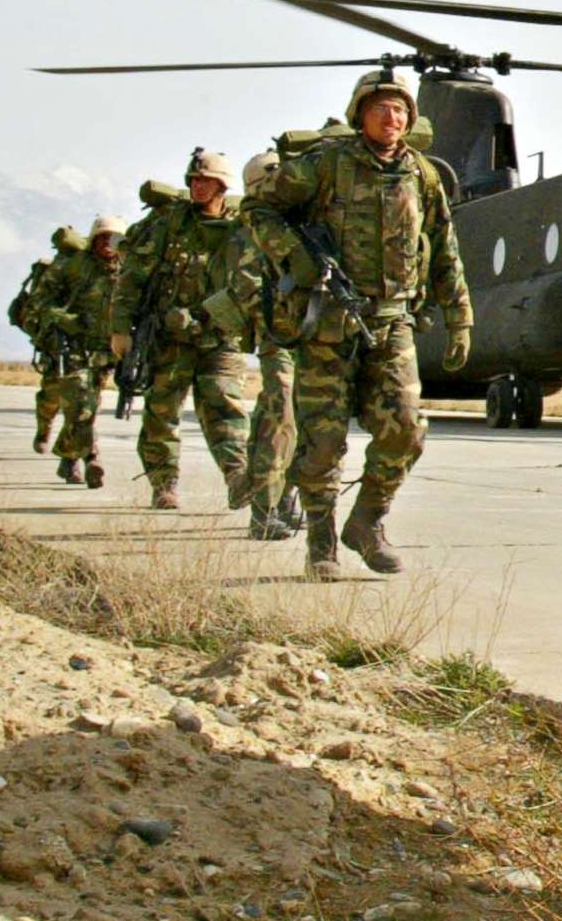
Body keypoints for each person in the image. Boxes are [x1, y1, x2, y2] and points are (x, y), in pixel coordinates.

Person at [247, 69, 471, 576]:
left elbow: (444, 247)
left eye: (399, 110)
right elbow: (260, 211)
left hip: (393, 324)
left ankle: (367, 520)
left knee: (407, 429)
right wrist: (297, 259)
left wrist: (460, 317)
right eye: (380, 109)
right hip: (327, 324)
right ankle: (321, 542)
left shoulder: (424, 174)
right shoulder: (323, 165)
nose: (391, 118)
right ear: (359, 115)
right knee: (323, 440)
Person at [111, 149, 253, 510]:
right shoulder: (167, 225)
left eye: (205, 180)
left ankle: (238, 478)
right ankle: (163, 483)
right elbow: (131, 279)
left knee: (224, 408)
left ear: (222, 185)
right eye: (193, 180)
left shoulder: (241, 228)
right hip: (169, 337)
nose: (198, 186)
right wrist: (120, 328)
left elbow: (250, 281)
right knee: (162, 412)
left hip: (220, 338)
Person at [205, 150, 304, 540]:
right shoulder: (248, 231)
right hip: (278, 336)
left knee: (303, 422)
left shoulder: (301, 224)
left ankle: (286, 497)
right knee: (279, 413)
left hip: (313, 336)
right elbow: (245, 285)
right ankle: (264, 510)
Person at [39, 215, 125, 489]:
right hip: (75, 347)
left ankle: (68, 456)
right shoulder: (73, 267)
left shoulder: (129, 270)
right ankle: (91, 458)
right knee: (80, 404)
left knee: (87, 407)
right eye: (102, 238)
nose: (107, 244)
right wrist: (65, 319)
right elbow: (41, 301)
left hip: (109, 352)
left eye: (113, 239)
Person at [13, 225, 86, 453]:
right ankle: (44, 429)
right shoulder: (55, 272)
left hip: (88, 344)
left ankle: (70, 455)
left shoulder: (98, 270)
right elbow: (36, 307)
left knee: (82, 404)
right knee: (51, 395)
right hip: (57, 342)